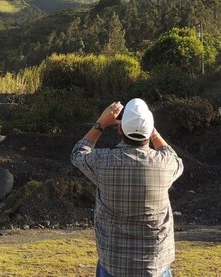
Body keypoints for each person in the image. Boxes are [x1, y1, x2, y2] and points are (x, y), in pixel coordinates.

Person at [71, 98, 184, 277]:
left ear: (120, 129)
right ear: (150, 131)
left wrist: (100, 124)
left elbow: (78, 153)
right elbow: (172, 155)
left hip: (113, 265)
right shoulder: (166, 165)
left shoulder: (102, 162)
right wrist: (152, 133)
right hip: (155, 266)